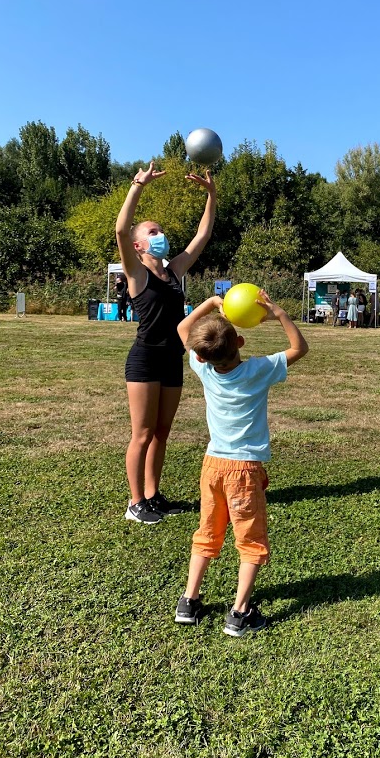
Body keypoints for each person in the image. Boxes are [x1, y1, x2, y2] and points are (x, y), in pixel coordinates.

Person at [173, 290, 309, 632]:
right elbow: (299, 349)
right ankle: (239, 613)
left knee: (207, 532)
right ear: (242, 342)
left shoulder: (203, 369)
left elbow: (182, 331)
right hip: (244, 470)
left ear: (201, 357)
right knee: (250, 540)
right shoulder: (258, 370)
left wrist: (210, 304)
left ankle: (188, 601)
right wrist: (278, 314)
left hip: (212, 465)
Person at [115, 161, 216, 525]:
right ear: (141, 244)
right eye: (153, 231)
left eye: (161, 230)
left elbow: (202, 236)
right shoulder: (136, 272)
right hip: (144, 360)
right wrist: (137, 186)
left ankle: (153, 496)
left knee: (162, 432)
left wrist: (211, 195)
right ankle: (135, 502)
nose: (162, 235)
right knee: (141, 434)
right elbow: (121, 229)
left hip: (172, 358)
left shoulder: (173, 272)